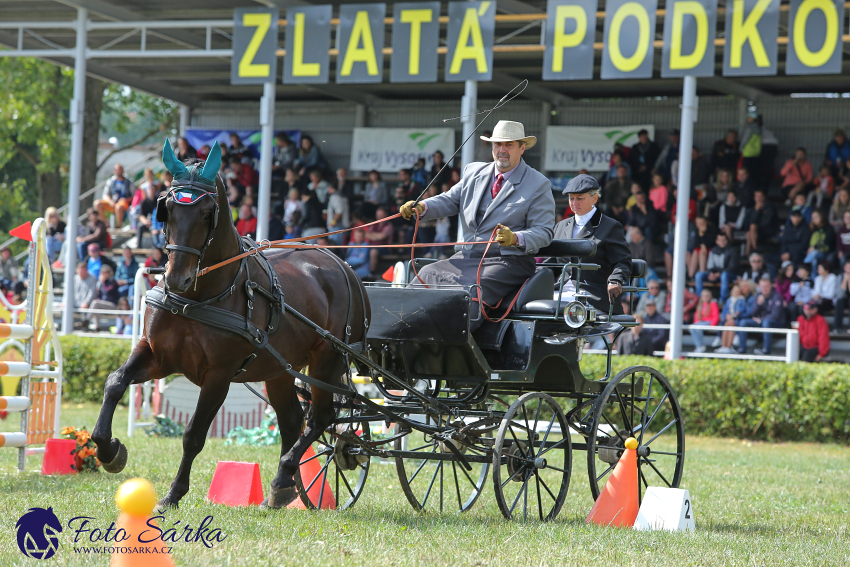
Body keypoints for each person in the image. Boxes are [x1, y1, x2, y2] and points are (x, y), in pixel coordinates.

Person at [400, 120, 556, 330]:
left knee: (469, 290)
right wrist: (422, 207)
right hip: (466, 257)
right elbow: (449, 200)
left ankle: (456, 353)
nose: (502, 150)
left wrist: (515, 238)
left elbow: (544, 232)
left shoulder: (538, 184)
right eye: (497, 144)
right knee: (426, 274)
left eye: (509, 145)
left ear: (522, 147)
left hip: (508, 262)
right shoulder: (473, 172)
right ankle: (401, 337)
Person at [551, 174, 631, 314]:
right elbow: (550, 263)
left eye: (580, 198)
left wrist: (615, 280)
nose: (574, 202)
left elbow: (623, 261)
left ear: (594, 198)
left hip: (592, 294)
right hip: (559, 290)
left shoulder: (610, 226)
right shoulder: (561, 226)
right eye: (571, 198)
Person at [736, 275, 785, 355]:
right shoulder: (758, 296)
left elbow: (776, 315)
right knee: (743, 322)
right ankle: (742, 348)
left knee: (767, 322)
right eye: (762, 286)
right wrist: (758, 304)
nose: (764, 288)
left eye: (766, 286)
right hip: (761, 322)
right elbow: (752, 313)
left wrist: (761, 320)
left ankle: (766, 349)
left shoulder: (777, 297)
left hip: (776, 323)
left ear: (771, 286)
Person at [695, 232, 739, 302]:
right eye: (720, 240)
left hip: (728, 275)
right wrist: (711, 274)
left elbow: (732, 267)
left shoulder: (732, 250)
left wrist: (718, 274)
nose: (722, 242)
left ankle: (722, 300)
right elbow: (710, 266)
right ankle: (700, 299)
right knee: (699, 275)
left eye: (724, 240)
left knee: (724, 275)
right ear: (716, 241)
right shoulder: (713, 250)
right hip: (715, 275)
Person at [94, 163, 135, 228]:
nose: (119, 171)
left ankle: (118, 226)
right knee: (97, 203)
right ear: (114, 171)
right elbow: (105, 195)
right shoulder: (111, 181)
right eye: (117, 170)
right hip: (112, 203)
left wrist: (126, 199)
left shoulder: (129, 182)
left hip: (124, 204)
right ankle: (106, 224)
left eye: (120, 170)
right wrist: (110, 201)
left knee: (118, 207)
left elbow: (134, 196)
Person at [715, 282, 749, 354]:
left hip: (736, 319)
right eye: (734, 291)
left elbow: (740, 311)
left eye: (737, 292)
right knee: (727, 324)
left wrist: (732, 316)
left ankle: (728, 347)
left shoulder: (741, 300)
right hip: (728, 319)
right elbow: (725, 311)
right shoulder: (729, 300)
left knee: (731, 324)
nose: (736, 293)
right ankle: (723, 346)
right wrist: (727, 316)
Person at [745, 190, 778, 256]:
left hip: (768, 231)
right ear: (754, 198)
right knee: (749, 232)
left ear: (763, 197)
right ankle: (751, 251)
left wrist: (756, 227)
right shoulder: (753, 208)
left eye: (760, 196)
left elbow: (767, 223)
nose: (758, 198)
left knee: (752, 228)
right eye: (757, 196)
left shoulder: (770, 207)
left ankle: (751, 251)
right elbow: (748, 222)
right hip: (755, 232)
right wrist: (756, 211)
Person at [805, 209, 837, 275]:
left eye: (816, 217)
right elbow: (808, 242)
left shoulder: (828, 228)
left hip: (826, 252)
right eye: (813, 218)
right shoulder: (813, 229)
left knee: (814, 253)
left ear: (821, 217)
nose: (814, 219)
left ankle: (803, 268)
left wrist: (814, 247)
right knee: (814, 260)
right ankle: (814, 280)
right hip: (814, 253)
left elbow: (827, 242)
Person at [89, 264, 120, 330]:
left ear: (110, 273)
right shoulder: (101, 283)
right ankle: (97, 328)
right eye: (103, 272)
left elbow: (107, 291)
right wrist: (100, 284)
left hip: (112, 305)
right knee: (96, 306)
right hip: (103, 305)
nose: (104, 274)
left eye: (106, 272)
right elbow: (98, 296)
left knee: (96, 303)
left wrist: (101, 282)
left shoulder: (113, 282)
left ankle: (86, 320)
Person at [366, 207, 395, 275]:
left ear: (385, 215)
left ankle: (371, 273)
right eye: (378, 215)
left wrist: (373, 235)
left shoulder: (389, 225)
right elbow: (367, 235)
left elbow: (382, 236)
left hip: (384, 248)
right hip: (371, 246)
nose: (379, 217)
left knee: (373, 251)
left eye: (381, 215)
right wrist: (376, 236)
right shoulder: (374, 224)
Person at [134, 181, 163, 250]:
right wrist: (146, 222)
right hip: (147, 222)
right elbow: (141, 215)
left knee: (154, 230)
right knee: (140, 226)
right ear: (147, 190)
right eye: (150, 189)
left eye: (153, 190)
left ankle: (155, 248)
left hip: (156, 223)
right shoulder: (144, 202)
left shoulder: (158, 201)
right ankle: (138, 246)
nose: (152, 191)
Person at [690, 289, 720, 353]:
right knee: (692, 327)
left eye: (707, 296)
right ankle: (699, 345)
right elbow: (696, 316)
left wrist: (712, 325)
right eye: (704, 296)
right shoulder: (700, 305)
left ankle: (700, 346)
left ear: (710, 297)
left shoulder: (713, 304)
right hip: (700, 322)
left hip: (709, 322)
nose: (705, 297)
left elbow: (716, 316)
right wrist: (696, 323)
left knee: (698, 327)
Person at [740, 111, 763, 185]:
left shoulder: (749, 127)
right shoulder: (759, 127)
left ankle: (746, 186)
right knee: (755, 173)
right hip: (756, 153)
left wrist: (741, 147)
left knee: (745, 172)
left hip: (748, 152)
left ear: (752, 119)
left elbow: (745, 139)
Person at [73, 262, 97, 327]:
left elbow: (91, 293)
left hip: (86, 303)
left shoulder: (92, 279)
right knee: (65, 306)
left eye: (83, 271)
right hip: (75, 302)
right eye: (80, 271)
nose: (81, 273)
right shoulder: (75, 278)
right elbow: (70, 291)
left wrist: (86, 303)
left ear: (86, 270)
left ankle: (84, 325)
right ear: (77, 270)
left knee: (84, 307)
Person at [832, 260, 850, 332]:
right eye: (847, 267)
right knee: (839, 302)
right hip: (843, 299)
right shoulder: (840, 277)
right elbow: (839, 294)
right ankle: (837, 327)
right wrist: (845, 280)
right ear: (844, 268)